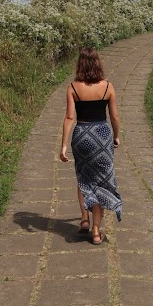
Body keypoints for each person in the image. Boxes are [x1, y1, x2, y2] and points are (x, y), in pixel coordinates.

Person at [60, 47, 122, 244]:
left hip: (82, 135)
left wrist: (63, 146)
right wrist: (116, 136)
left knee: (83, 177)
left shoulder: (73, 87)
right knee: (101, 181)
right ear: (97, 64)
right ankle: (96, 232)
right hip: (102, 135)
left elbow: (70, 117)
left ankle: (84, 219)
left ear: (80, 65)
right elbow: (114, 116)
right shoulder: (107, 87)